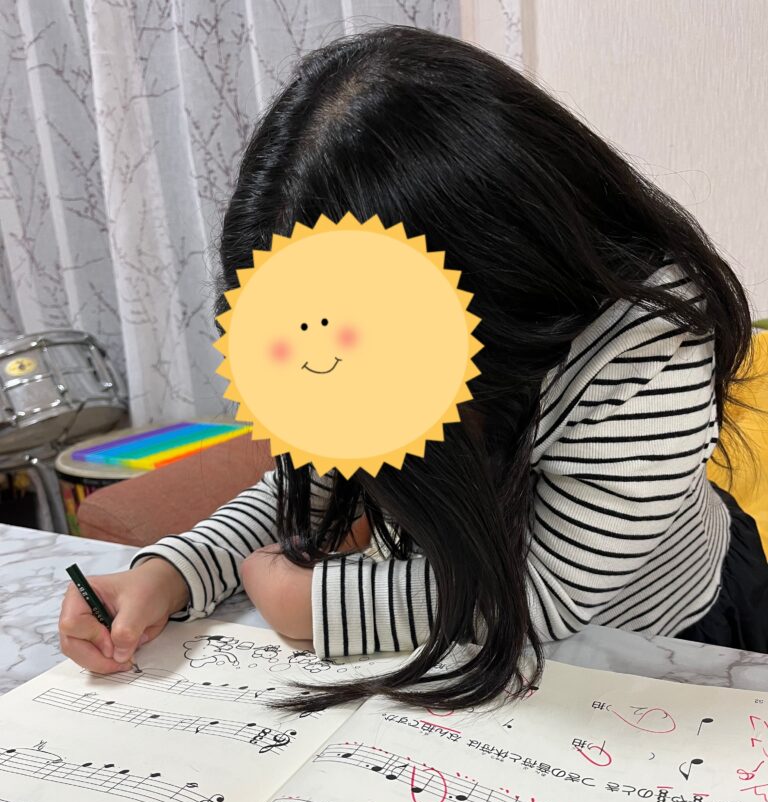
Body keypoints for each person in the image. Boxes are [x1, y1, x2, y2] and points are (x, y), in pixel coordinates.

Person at [58, 24, 767, 712]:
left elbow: (550, 595)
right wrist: (173, 573)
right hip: (472, 637)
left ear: (496, 281)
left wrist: (314, 603)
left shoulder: (650, 338)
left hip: (661, 643)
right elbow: (309, 489)